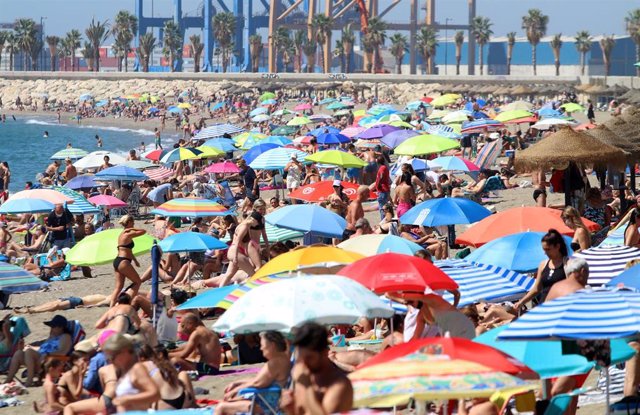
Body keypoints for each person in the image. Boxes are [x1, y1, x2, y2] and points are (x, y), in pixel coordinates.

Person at [282, 323, 353, 415]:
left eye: (309, 358)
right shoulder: (304, 377)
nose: (304, 364)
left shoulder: (340, 384)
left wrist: (307, 387)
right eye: (300, 358)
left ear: (325, 353)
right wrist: (289, 409)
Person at [215, 331, 291, 415]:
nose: (261, 348)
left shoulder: (274, 363)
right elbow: (261, 380)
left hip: (268, 405)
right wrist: (237, 383)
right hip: (272, 400)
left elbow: (257, 383)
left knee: (221, 407)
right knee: (231, 402)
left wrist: (235, 391)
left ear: (272, 345)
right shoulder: (284, 359)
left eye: (263, 345)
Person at [6, 315, 72, 386]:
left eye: (53, 327)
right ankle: (8, 380)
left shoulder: (65, 337)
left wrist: (47, 354)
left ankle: (29, 380)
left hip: (50, 362)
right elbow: (42, 348)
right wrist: (25, 347)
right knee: (19, 353)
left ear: (61, 327)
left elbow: (62, 352)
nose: (51, 329)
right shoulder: (52, 336)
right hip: (40, 360)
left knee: (29, 352)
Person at [101, 334, 160, 412]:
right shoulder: (123, 371)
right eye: (108, 358)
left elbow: (155, 394)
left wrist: (127, 399)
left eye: (113, 356)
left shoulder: (137, 369)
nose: (110, 360)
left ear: (125, 351)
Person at [514, 229, 569, 311]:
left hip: (560, 308)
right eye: (544, 250)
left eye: (548, 249)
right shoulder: (543, 265)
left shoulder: (568, 263)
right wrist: (521, 302)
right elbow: (536, 289)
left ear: (557, 246)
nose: (545, 253)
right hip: (543, 307)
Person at [110, 215, 146, 307]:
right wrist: (132, 228)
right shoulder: (128, 233)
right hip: (123, 262)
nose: (133, 224)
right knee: (137, 282)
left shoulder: (122, 234)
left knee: (118, 287)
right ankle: (126, 303)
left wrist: (135, 260)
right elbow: (143, 231)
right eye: (132, 223)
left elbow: (127, 249)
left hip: (118, 261)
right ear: (129, 222)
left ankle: (111, 307)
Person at [15, 294, 109, 314]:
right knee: (52, 303)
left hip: (78, 301)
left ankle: (33, 310)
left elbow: (100, 303)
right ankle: (29, 309)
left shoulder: (109, 298)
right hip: (75, 298)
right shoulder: (110, 296)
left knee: (56, 306)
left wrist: (87, 306)